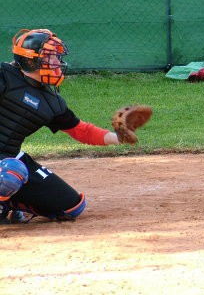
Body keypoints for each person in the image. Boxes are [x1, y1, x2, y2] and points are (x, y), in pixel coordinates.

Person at [0, 28, 133, 224]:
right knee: (12, 172)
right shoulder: (4, 77)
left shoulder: (52, 102)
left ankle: (10, 204)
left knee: (71, 207)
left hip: (8, 158)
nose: (57, 63)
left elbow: (82, 131)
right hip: (8, 167)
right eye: (50, 57)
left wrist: (120, 136)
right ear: (30, 59)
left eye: (57, 57)